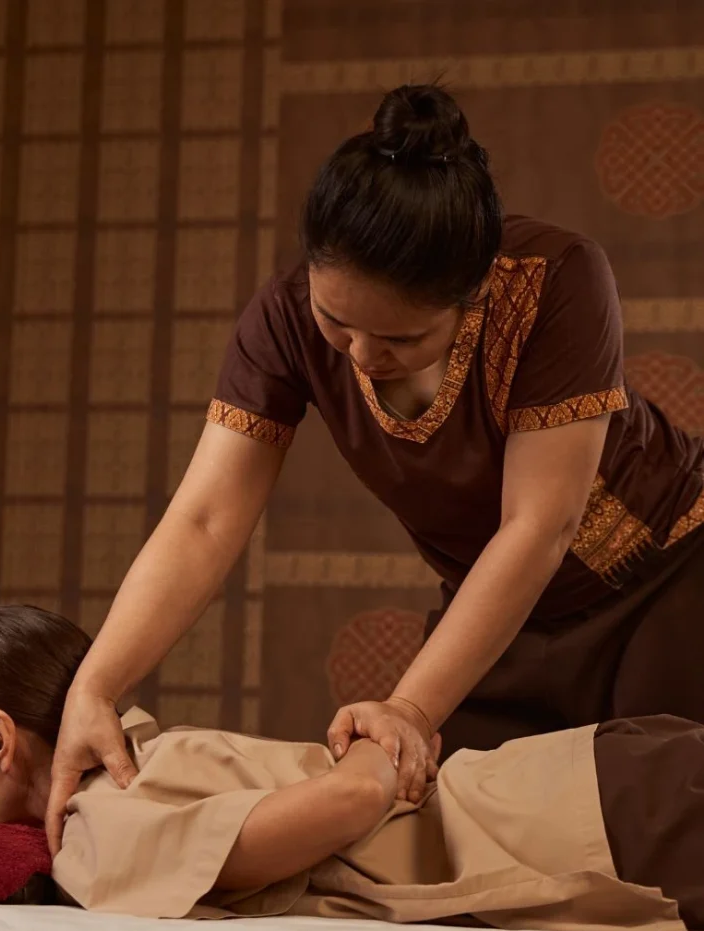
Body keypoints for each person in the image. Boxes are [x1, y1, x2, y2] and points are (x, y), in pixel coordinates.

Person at [46, 82, 704, 854]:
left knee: (657, 826)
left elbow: (538, 526)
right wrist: (97, 685)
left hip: (667, 584)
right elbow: (204, 519)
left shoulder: (556, 279)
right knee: (438, 836)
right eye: (337, 322)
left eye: (400, 339)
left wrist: (411, 708)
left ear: (472, 294)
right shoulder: (283, 320)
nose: (360, 354)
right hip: (506, 618)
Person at [0, 603, 703, 931]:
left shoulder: (100, 825)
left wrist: (387, 738)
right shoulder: (137, 774)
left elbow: (352, 799)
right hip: (585, 794)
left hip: (591, 822)